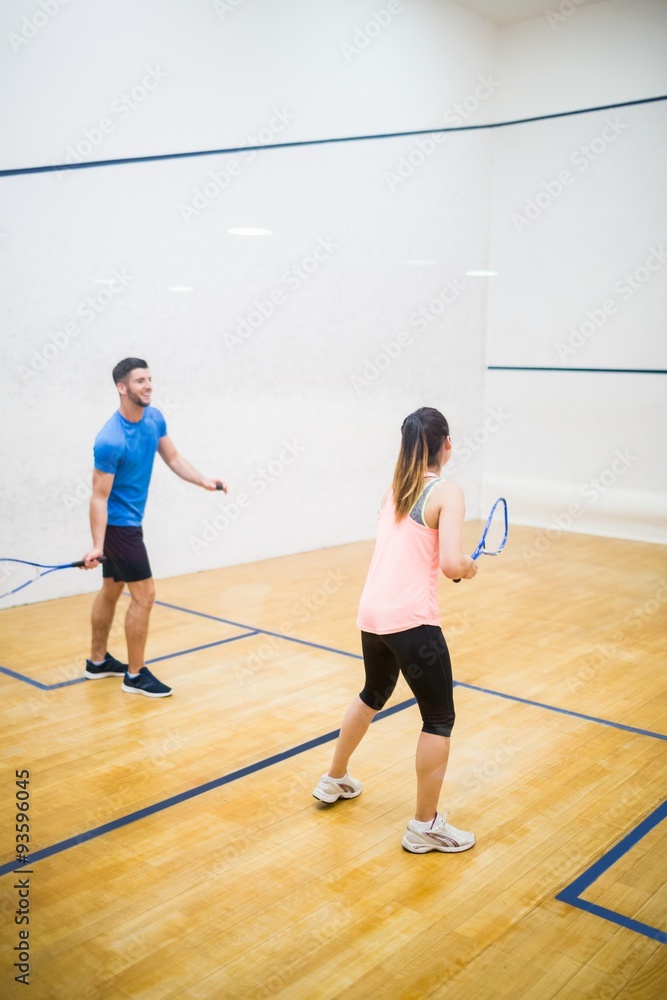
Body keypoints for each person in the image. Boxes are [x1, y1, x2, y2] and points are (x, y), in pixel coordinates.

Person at [313, 407, 478, 853]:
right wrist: (469, 567)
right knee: (439, 718)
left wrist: (456, 564)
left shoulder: (393, 491)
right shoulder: (448, 492)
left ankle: (334, 778)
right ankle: (425, 826)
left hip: (373, 616)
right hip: (412, 621)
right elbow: (449, 565)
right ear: (446, 444)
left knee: (372, 693)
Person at [81, 358, 228, 698]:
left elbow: (173, 458)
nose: (148, 385)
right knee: (145, 596)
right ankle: (135, 675)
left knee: (112, 591)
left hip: (130, 525)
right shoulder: (110, 439)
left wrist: (203, 480)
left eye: (149, 379)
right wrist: (97, 544)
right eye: (139, 381)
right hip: (120, 528)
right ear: (122, 387)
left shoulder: (154, 418)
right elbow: (99, 497)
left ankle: (98, 661)